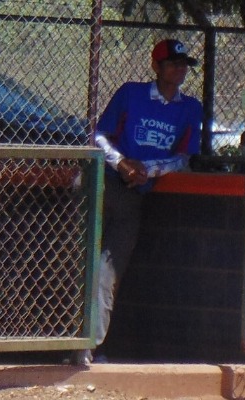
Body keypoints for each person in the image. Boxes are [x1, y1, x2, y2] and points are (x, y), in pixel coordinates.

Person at [86, 38, 204, 365]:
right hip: (106, 183)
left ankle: (89, 347)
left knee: (108, 271)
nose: (179, 69)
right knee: (81, 262)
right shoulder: (131, 93)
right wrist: (122, 163)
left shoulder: (190, 108)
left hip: (136, 193)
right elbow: (98, 136)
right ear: (156, 67)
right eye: (172, 63)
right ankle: (66, 341)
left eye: (183, 64)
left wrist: (147, 170)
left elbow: (183, 158)